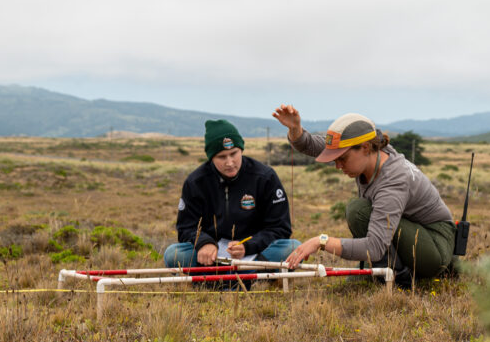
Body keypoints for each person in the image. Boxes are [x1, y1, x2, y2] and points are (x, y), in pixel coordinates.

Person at [272, 105, 455, 286]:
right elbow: (313, 145)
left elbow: (374, 247)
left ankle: (399, 278)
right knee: (360, 212)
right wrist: (295, 129)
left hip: (434, 245)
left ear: (366, 148)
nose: (338, 166)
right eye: (336, 159)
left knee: (359, 212)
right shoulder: (373, 153)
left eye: (342, 159)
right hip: (413, 230)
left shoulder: (393, 181)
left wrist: (321, 241)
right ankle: (384, 271)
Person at [164, 119, 300, 274]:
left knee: (293, 248)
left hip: (254, 253)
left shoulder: (265, 177)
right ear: (211, 157)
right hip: (213, 256)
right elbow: (186, 227)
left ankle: (229, 277)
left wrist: (248, 246)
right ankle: (246, 277)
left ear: (241, 149)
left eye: (233, 154)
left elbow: (280, 228)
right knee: (173, 254)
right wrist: (203, 243)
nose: (229, 162)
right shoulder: (195, 182)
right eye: (222, 157)